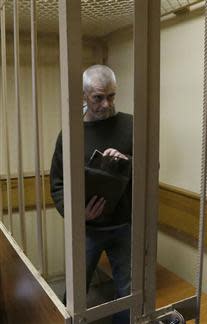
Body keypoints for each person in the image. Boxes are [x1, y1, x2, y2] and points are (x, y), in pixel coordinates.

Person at [50, 65, 133, 324]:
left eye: (111, 96)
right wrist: (78, 215)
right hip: (86, 227)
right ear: (83, 96)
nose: (106, 104)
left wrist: (128, 161)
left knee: (128, 292)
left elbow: (151, 169)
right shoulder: (70, 135)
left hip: (125, 225)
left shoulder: (131, 125)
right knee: (75, 293)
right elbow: (57, 184)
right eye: (98, 97)